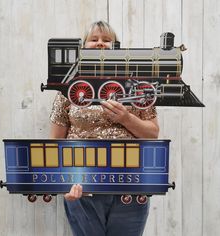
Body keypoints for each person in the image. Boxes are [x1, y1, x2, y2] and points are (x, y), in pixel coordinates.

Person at [50, 21, 159, 236]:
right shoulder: (67, 87)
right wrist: (63, 183)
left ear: (116, 47)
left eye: (107, 40)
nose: (101, 44)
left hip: (131, 181)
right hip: (81, 184)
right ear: (83, 46)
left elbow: (153, 133)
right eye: (94, 39)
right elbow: (56, 141)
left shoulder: (137, 82)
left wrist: (126, 118)